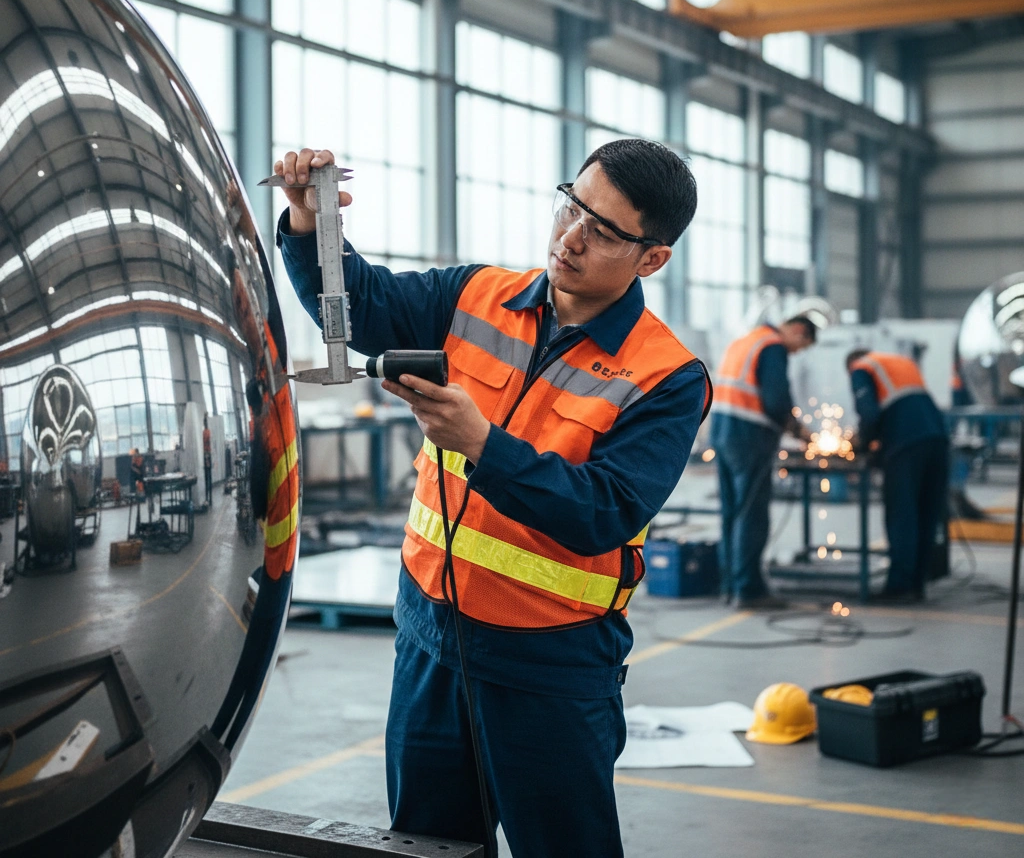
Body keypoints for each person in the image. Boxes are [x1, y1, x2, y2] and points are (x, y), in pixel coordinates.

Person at [275, 139, 711, 858]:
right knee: (427, 845)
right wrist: (307, 223)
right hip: (429, 642)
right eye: (571, 205)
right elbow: (360, 302)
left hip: (550, 667)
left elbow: (603, 511)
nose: (571, 236)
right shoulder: (474, 296)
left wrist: (484, 445)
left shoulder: (667, 376)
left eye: (603, 232)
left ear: (651, 258)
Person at [711, 316, 817, 609]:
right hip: (748, 435)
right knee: (751, 514)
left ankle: (729, 585)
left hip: (721, 430)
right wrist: (799, 431)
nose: (796, 352)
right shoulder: (773, 346)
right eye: (801, 346)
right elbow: (776, 400)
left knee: (732, 512)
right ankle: (749, 590)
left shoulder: (744, 341)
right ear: (798, 331)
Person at [846, 349, 949, 601]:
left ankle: (899, 587)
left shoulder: (861, 368)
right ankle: (916, 585)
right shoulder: (900, 363)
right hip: (938, 439)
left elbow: (869, 414)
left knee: (902, 514)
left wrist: (861, 444)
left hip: (906, 445)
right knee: (926, 515)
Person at [203, 415, 213, 506]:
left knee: (207, 476)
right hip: (208, 454)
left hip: (206, 454)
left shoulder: (205, 433)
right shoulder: (208, 432)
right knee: (208, 475)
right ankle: (209, 493)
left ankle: (208, 492)